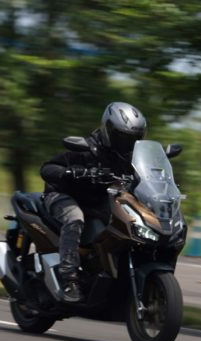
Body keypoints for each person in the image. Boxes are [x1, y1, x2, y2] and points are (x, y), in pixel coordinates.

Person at [40, 102, 147, 303]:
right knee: (75, 218)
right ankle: (69, 278)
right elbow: (47, 168)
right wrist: (70, 172)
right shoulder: (85, 149)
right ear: (108, 130)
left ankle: (111, 276)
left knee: (128, 224)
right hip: (63, 196)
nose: (128, 144)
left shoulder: (129, 159)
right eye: (123, 137)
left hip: (97, 202)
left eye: (134, 139)